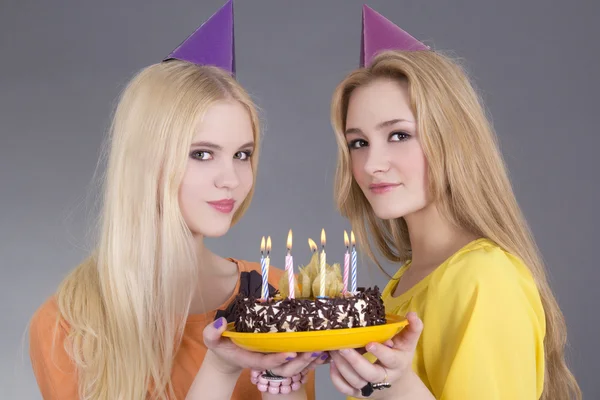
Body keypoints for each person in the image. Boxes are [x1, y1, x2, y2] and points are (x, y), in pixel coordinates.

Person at [28, 2, 319, 399]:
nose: (231, 179)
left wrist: (284, 387)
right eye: (201, 153)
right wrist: (221, 367)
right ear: (147, 161)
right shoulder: (70, 324)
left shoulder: (278, 293)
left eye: (242, 154)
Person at [324, 5, 582, 400]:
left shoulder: (484, 278)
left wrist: (400, 387)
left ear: (453, 138)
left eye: (399, 135)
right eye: (359, 143)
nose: (372, 164)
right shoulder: (403, 284)